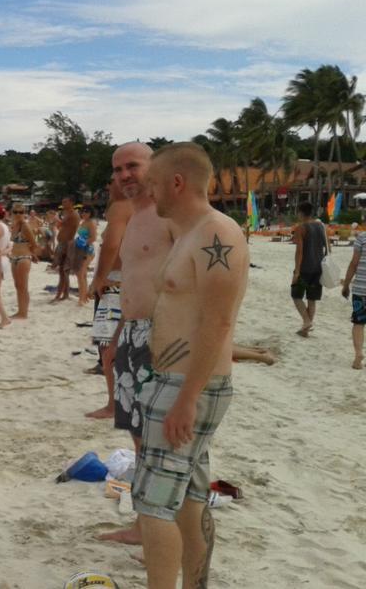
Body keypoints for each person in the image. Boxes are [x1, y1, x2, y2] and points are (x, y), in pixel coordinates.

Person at [136, 142, 248, 589]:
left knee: (152, 504)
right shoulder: (191, 232)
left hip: (188, 386)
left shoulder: (216, 233)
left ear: (177, 183)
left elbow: (217, 323)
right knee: (190, 497)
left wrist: (187, 398)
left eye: (154, 184)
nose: (150, 193)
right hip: (179, 382)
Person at [99, 142, 173, 545]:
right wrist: (115, 340)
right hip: (131, 333)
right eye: (117, 169)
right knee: (138, 437)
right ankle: (144, 526)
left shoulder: (171, 217)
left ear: (155, 167)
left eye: (132, 166)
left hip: (161, 337)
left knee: (160, 442)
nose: (124, 175)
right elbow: (135, 283)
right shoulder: (136, 216)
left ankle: (160, 530)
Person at [86, 176, 134, 419]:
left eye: (111, 181)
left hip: (116, 283)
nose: (107, 185)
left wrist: (99, 279)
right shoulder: (145, 207)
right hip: (131, 283)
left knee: (109, 348)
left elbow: (112, 245)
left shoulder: (121, 207)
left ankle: (113, 406)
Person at [291, 201, 329, 337]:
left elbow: (299, 251)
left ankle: (307, 322)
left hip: (305, 269)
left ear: (301, 212)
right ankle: (305, 330)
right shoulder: (321, 226)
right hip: (318, 269)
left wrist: (296, 271)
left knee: (296, 296)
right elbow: (328, 248)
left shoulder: (301, 228)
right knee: (312, 299)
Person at [341, 228, 366, 368]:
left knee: (359, 323)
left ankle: (358, 354)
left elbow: (354, 263)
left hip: (361, 289)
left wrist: (346, 285)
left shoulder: (362, 238)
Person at [8, 204, 37, 319]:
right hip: (14, 257)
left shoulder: (25, 226)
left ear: (24, 213)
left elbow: (34, 244)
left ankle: (23, 313)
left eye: (21, 212)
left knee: (23, 286)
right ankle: (20, 310)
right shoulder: (14, 225)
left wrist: (32, 254)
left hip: (23, 258)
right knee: (17, 285)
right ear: (12, 213)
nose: (18, 214)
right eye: (15, 212)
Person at [53, 197, 81, 301]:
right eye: (63, 201)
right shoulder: (69, 213)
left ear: (71, 203)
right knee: (63, 270)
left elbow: (62, 225)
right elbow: (64, 227)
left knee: (63, 270)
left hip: (66, 244)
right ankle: (64, 294)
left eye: (65, 202)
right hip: (64, 243)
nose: (63, 203)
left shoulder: (72, 214)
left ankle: (60, 294)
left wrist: (56, 218)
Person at [75, 205, 98, 306]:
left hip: (87, 250)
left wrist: (83, 244)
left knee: (81, 274)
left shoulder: (91, 223)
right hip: (81, 249)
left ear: (91, 213)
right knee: (81, 275)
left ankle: (82, 298)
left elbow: (93, 238)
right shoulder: (83, 222)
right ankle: (83, 297)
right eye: (83, 211)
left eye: (87, 211)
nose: (84, 213)